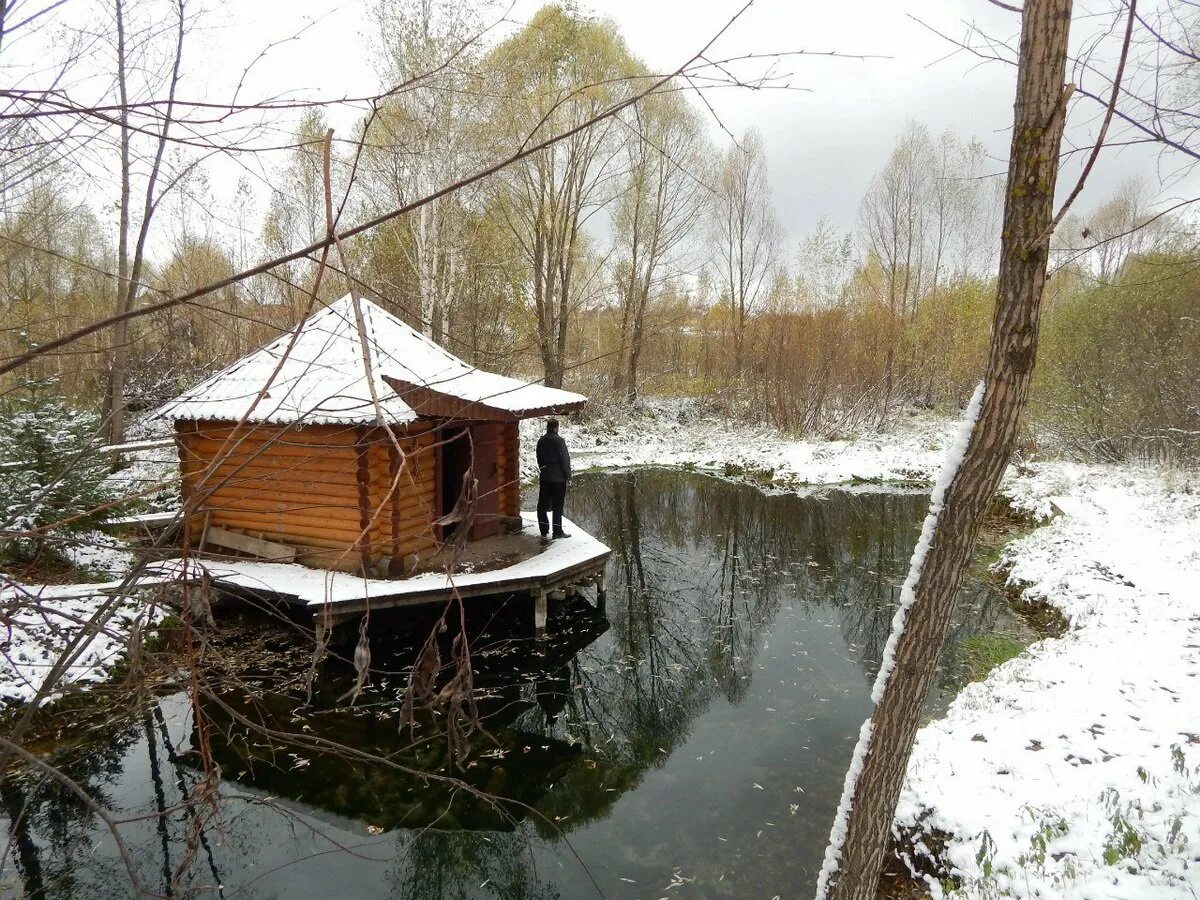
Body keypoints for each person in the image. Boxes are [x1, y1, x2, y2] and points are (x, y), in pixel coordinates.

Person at [535, 418, 571, 539]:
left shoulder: (541, 441)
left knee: (542, 504)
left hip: (545, 477)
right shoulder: (559, 441)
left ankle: (544, 529)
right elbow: (564, 459)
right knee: (557, 505)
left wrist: (543, 468)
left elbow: (538, 457)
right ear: (557, 427)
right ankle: (557, 531)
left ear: (547, 427)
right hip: (558, 479)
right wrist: (568, 476)